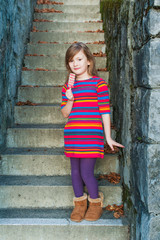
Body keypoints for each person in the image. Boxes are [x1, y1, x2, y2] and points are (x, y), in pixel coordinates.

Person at [61, 42, 124, 222]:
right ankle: (79, 204)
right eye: (71, 60)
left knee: (86, 172)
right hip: (73, 134)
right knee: (74, 171)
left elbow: (104, 111)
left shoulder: (99, 84)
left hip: (91, 135)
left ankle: (95, 202)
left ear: (89, 61)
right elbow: (65, 113)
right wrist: (70, 99)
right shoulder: (67, 87)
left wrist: (108, 137)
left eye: (79, 59)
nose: (75, 63)